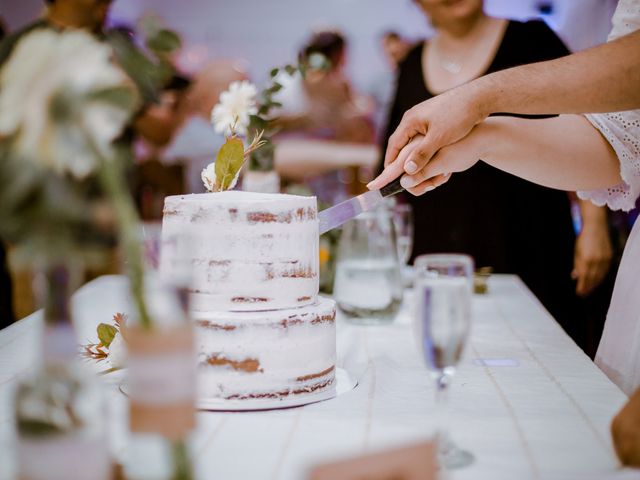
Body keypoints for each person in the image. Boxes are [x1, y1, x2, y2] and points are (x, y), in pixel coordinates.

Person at [368, 0, 640, 397]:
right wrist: (481, 137)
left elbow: (602, 123)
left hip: (525, 229)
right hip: (442, 237)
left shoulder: (531, 38)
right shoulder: (412, 62)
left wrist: (593, 224)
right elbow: (619, 136)